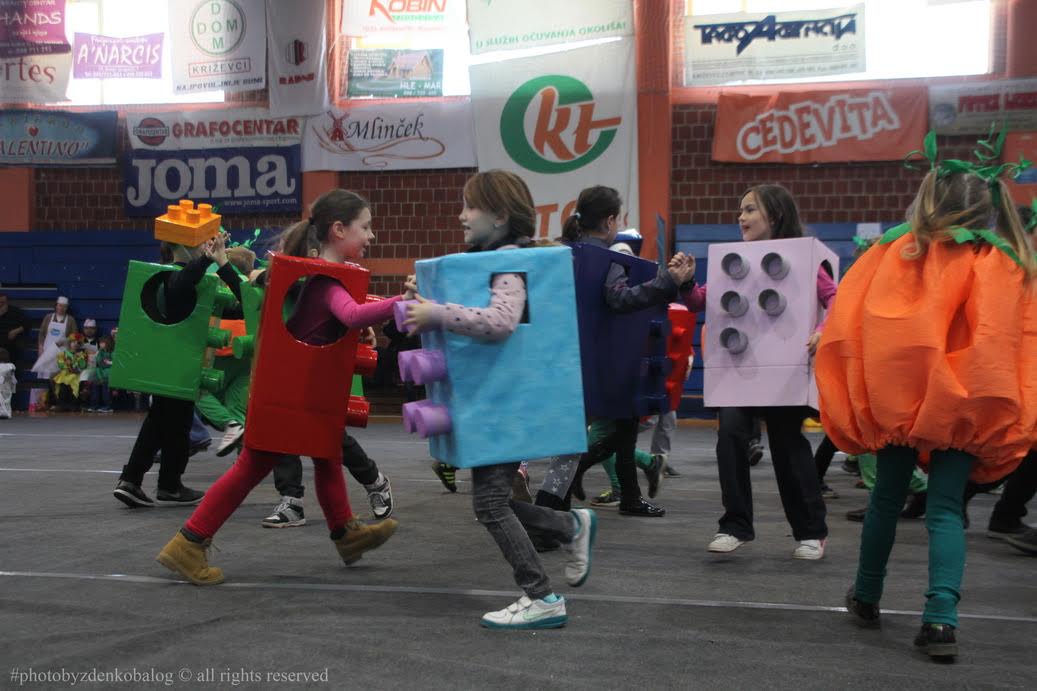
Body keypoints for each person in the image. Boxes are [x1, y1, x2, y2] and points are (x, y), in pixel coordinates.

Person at [820, 139, 1037, 659]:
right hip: (967, 408)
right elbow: (1015, 341)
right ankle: (941, 619)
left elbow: (862, 322)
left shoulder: (899, 252)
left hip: (902, 402)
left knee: (886, 500)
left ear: (928, 201)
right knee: (944, 509)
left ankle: (867, 595)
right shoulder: (1006, 264)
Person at [155, 189, 402, 585]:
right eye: (366, 227)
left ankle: (346, 532)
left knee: (326, 452)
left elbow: (336, 321)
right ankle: (189, 542)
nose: (371, 235)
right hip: (291, 391)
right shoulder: (325, 278)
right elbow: (352, 313)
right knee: (252, 467)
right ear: (339, 230)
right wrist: (404, 302)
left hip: (301, 388)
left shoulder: (322, 275)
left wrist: (359, 328)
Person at [402, 170, 596, 629]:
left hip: (504, 404)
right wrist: (425, 302)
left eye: (471, 206)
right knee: (491, 503)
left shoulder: (509, 263)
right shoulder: (486, 262)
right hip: (493, 403)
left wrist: (437, 312)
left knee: (489, 505)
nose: (462, 215)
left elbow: (502, 320)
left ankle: (542, 596)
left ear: (500, 215)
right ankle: (570, 527)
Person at [674, 184, 832, 559]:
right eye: (740, 210)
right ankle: (735, 525)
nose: (740, 217)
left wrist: (823, 330)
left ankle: (812, 531)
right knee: (730, 434)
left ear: (774, 215)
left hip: (785, 369)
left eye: (749, 210)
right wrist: (686, 282)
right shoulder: (734, 261)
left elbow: (835, 296)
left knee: (786, 444)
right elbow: (700, 300)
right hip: (739, 369)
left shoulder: (805, 259)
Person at [551, 186, 692, 518]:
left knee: (579, 434)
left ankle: (618, 495)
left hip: (566, 356)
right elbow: (620, 298)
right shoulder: (609, 259)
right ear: (610, 220)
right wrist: (668, 281)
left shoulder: (563, 254)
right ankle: (578, 498)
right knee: (623, 426)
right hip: (609, 356)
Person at [113, 234, 240, 509]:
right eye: (201, 242)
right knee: (170, 425)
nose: (206, 246)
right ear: (183, 245)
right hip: (176, 362)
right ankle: (158, 483)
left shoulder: (174, 276)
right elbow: (180, 284)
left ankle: (147, 481)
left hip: (174, 362)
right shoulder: (173, 276)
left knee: (166, 423)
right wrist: (207, 258)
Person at [30, 296, 77, 410]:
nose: (62, 308)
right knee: (47, 378)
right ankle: (47, 402)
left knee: (59, 378)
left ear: (67, 308)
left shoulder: (70, 320)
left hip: (62, 353)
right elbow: (42, 334)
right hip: (48, 352)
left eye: (64, 306)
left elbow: (74, 336)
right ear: (56, 306)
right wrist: (40, 348)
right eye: (60, 306)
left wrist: (66, 341)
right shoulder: (48, 317)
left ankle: (58, 402)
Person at [52, 333, 87, 411]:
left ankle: (73, 404)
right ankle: (62, 404)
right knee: (63, 387)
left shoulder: (82, 354)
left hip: (76, 375)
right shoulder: (63, 353)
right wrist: (69, 368)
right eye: (73, 342)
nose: (75, 344)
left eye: (78, 343)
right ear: (69, 343)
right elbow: (61, 364)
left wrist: (80, 358)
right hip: (65, 375)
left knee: (75, 387)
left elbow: (83, 366)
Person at [0, 291, 29, 368]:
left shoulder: (15, 311)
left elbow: (27, 324)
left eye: (3, 303)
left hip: (11, 344)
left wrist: (16, 331)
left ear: (7, 302)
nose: (1, 305)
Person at [0, 347, 15, 419]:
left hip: (2, 385)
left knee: (3, 400)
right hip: (8, 387)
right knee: (7, 401)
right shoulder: (11, 365)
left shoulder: (9, 366)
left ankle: (3, 412)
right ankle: (8, 413)